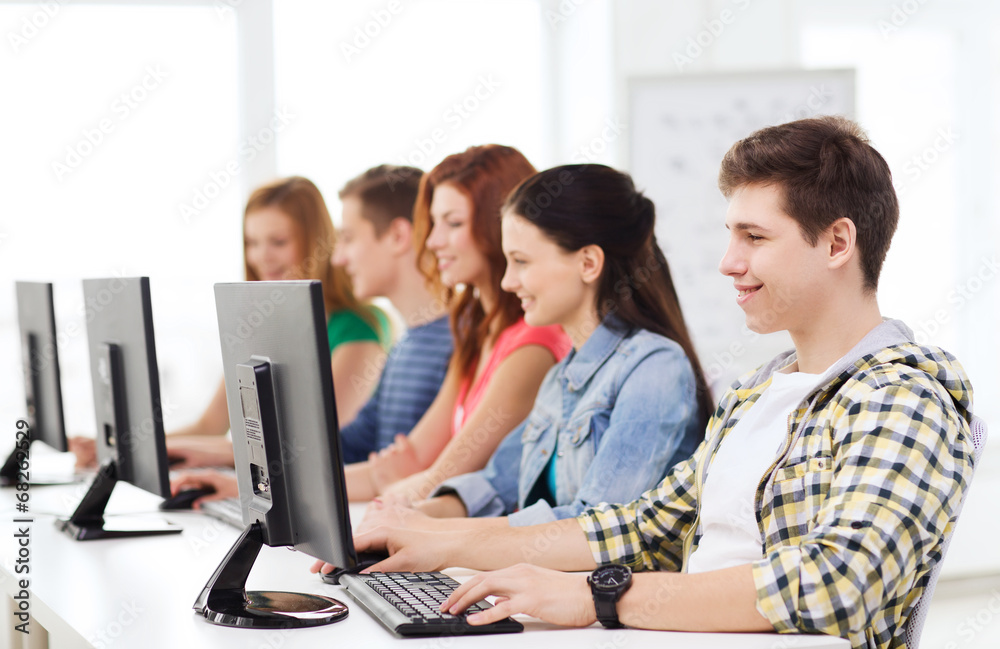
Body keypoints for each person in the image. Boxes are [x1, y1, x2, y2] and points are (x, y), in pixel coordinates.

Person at [347, 117, 976, 649]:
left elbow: (838, 581)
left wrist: (597, 597)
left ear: (838, 241)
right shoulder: (758, 391)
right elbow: (642, 526)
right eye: (731, 234)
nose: (728, 262)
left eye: (754, 237)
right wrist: (437, 540)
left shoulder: (901, 396)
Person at [354, 164, 712, 535]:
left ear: (588, 263)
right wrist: (411, 519)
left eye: (521, 262)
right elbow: (494, 484)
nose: (508, 282)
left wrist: (437, 536)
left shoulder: (655, 368)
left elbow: (596, 529)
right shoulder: (560, 377)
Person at [170, 165, 456, 504]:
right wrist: (238, 480)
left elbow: (415, 473)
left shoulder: (455, 343)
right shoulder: (408, 343)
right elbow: (347, 445)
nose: (337, 257)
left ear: (397, 236)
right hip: (369, 510)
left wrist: (239, 474)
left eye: (347, 238)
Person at [344, 144, 572, 502]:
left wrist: (396, 485)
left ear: (503, 226)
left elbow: (438, 480)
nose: (433, 241)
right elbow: (408, 465)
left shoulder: (533, 344)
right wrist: (272, 494)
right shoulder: (474, 333)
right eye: (434, 223)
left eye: (453, 223)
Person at [165, 176, 390, 468]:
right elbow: (211, 425)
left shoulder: (358, 328)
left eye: (279, 242)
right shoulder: (259, 328)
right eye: (253, 243)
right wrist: (131, 449)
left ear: (316, 242)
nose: (262, 257)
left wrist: (219, 455)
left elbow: (315, 443)